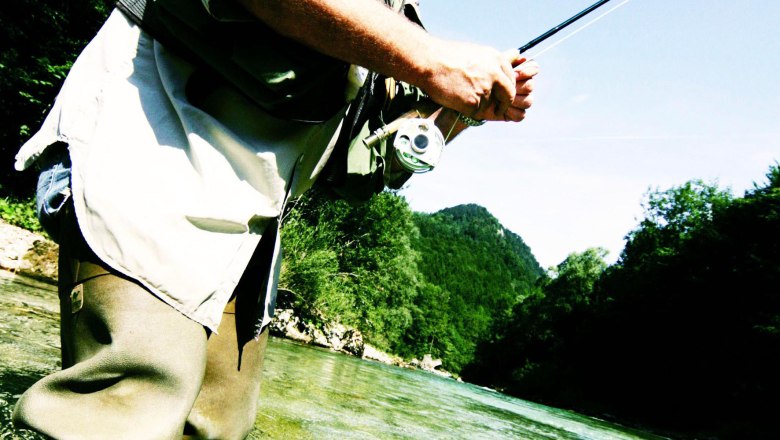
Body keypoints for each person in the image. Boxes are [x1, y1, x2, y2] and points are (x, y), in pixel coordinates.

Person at [12, 0, 539, 438]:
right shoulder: (397, 34)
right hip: (152, 143)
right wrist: (429, 60)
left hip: (246, 226)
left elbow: (357, 172)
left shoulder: (390, 17)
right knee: (129, 411)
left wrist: (451, 114)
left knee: (215, 427)